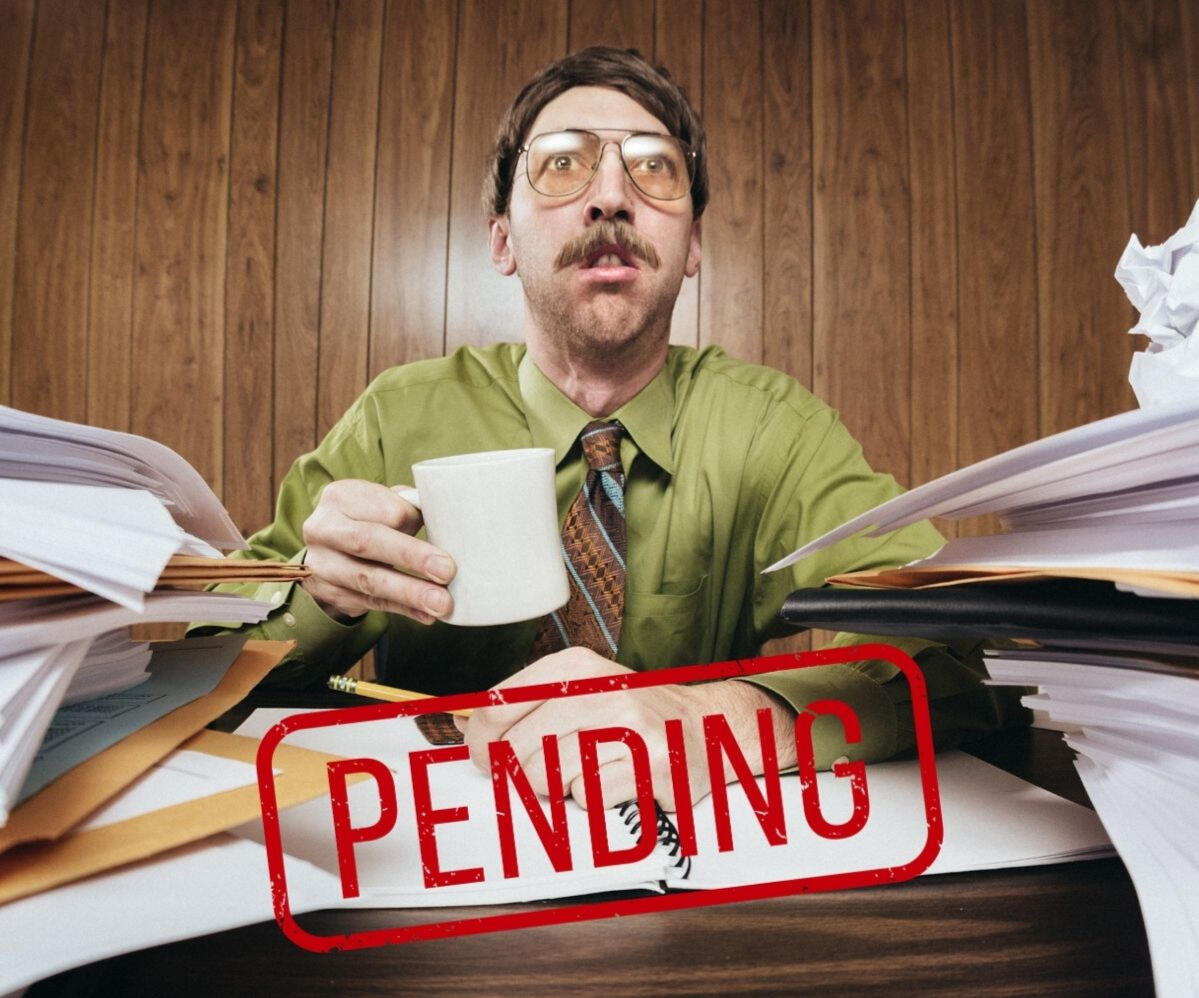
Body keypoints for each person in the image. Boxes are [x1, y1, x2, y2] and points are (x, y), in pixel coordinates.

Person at [204, 47, 1023, 810]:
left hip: (693, 876)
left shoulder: (774, 429)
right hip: (425, 866)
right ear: (501, 241)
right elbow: (201, 678)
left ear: (692, 244)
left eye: (653, 168)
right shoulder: (399, 415)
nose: (609, 195)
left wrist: (723, 727)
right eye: (561, 164)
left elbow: (960, 656)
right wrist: (321, 602)